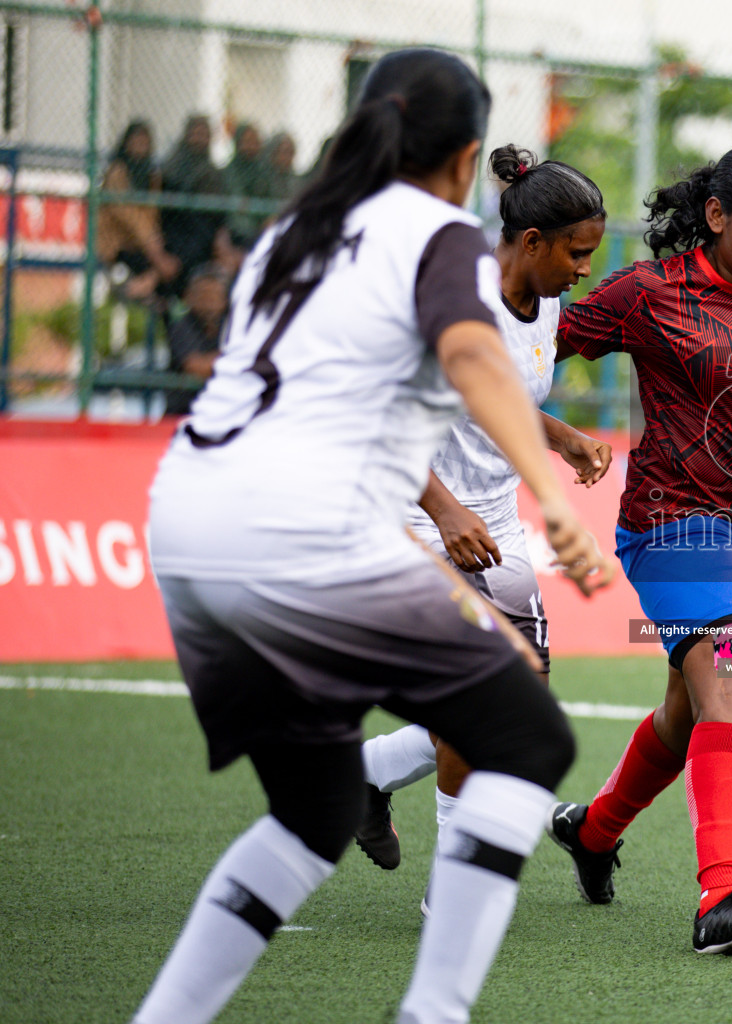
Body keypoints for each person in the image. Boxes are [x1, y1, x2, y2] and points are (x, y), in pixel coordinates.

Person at [133, 48, 613, 1024]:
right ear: (468, 155)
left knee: (311, 810)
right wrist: (545, 491)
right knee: (524, 731)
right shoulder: (440, 235)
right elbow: (474, 349)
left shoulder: (291, 231)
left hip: (187, 517)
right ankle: (433, 1011)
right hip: (305, 522)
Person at [550, 143, 732, 955]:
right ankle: (721, 899)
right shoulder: (650, 293)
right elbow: (537, 344)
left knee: (688, 713)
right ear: (715, 216)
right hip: (672, 521)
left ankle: (593, 832)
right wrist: (552, 432)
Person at [351, 144, 613, 904]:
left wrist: (561, 437)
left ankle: (364, 776)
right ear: (531, 242)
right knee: (480, 706)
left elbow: (495, 395)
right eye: (578, 252)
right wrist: (443, 508)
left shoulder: (547, 300)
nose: (585, 269)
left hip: (493, 529)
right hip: (416, 521)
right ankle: (454, 887)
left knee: (513, 702)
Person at [97, 120, 180, 302]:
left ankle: (145, 287)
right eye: (136, 141)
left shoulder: (152, 176)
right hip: (118, 243)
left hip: (145, 244)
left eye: (145, 142)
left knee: (174, 264)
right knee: (158, 265)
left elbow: (152, 212)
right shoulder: (117, 172)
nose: (141, 146)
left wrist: (154, 242)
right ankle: (140, 290)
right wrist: (152, 243)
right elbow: (126, 213)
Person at [159, 114, 227, 297]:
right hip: (175, 228)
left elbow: (218, 215)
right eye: (196, 133)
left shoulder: (212, 171)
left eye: (204, 134)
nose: (200, 139)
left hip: (204, 233)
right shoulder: (172, 167)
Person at [163, 264, 228, 416]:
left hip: (223, 414)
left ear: (224, 301)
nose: (208, 301)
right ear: (189, 297)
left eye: (214, 295)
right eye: (203, 295)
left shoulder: (232, 325)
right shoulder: (182, 325)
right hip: (183, 414)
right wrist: (233, 359)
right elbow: (195, 367)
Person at [223, 121, 272, 249]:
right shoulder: (231, 170)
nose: (252, 146)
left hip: (263, 225)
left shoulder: (263, 169)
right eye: (247, 141)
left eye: (255, 141)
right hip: (239, 229)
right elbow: (239, 202)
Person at [264, 131, 301, 201]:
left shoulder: (295, 180)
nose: (287, 157)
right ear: (273, 153)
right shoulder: (264, 179)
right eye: (284, 152)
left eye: (290, 152)